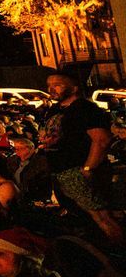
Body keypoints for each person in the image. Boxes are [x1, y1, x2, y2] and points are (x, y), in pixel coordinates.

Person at [37, 67, 120, 242]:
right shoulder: (55, 109)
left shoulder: (85, 108)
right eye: (49, 85)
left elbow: (102, 140)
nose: (51, 89)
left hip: (78, 170)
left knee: (102, 218)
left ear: (74, 88)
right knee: (83, 218)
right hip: (61, 171)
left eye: (58, 85)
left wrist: (88, 168)